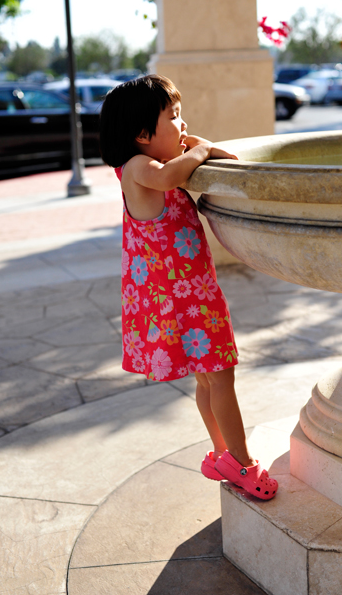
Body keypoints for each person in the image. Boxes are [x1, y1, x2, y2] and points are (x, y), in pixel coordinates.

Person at [100, 74, 278, 501]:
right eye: (174, 117)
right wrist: (199, 149)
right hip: (186, 300)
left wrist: (194, 145)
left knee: (208, 382)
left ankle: (221, 454)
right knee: (221, 379)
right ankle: (242, 462)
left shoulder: (153, 163)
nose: (183, 125)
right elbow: (167, 178)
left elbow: (196, 166)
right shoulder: (141, 169)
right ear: (143, 135)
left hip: (187, 296)